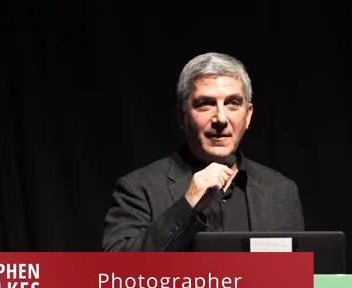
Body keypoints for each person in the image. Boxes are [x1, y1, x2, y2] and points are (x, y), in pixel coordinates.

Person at [102, 52, 304, 252]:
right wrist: (187, 205)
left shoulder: (280, 190)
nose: (221, 119)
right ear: (182, 117)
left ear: (248, 115)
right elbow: (117, 272)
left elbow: (298, 276)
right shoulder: (138, 188)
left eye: (232, 103)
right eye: (205, 104)